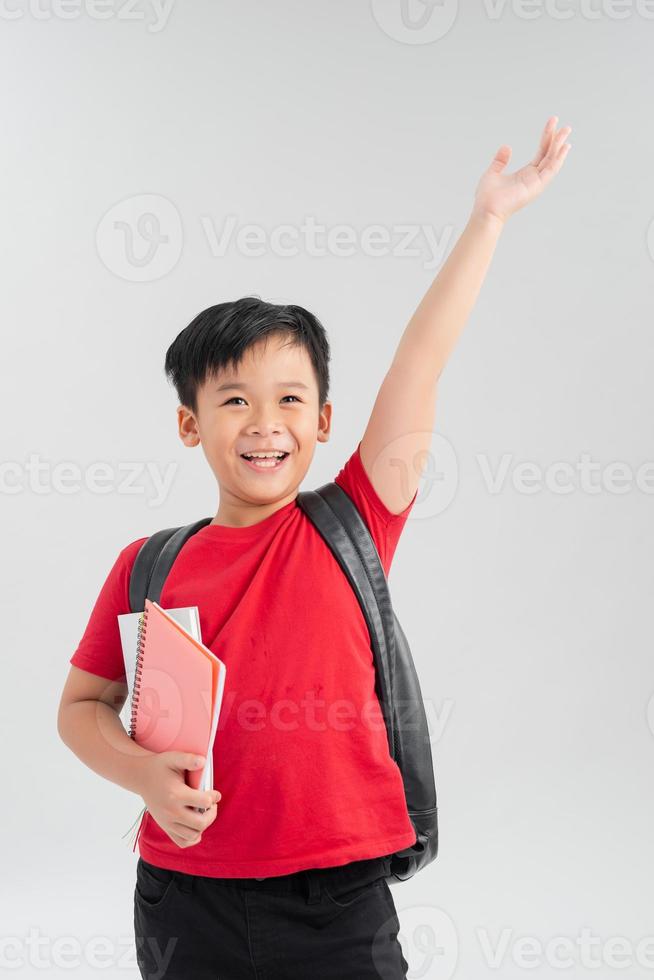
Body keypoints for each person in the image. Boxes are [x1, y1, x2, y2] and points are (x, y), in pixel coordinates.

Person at [57, 116, 571, 979]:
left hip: (341, 904)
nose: (266, 424)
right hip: (184, 898)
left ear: (325, 421)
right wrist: (143, 778)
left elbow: (421, 361)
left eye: (292, 399)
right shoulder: (146, 565)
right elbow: (80, 709)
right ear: (189, 424)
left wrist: (488, 220)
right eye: (233, 401)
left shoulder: (355, 522)